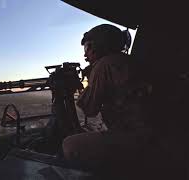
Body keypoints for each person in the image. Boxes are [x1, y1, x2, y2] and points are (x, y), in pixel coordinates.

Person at [62, 24, 150, 174]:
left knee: (69, 145)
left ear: (99, 45)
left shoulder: (104, 65)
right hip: (150, 132)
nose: (85, 55)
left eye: (87, 48)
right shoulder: (127, 61)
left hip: (137, 137)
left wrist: (68, 89)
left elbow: (89, 109)